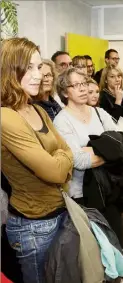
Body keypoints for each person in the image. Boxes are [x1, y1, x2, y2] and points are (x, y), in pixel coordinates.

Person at [53, 68, 123, 281]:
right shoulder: (62, 121)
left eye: (84, 83)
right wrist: (109, 149)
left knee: (116, 231)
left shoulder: (98, 112)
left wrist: (94, 148)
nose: (83, 88)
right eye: (76, 85)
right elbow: (80, 161)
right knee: (96, 238)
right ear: (65, 92)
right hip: (83, 191)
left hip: (110, 184)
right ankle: (107, 276)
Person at [1, 37, 73, 283]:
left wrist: (60, 159)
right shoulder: (5, 117)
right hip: (32, 226)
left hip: (59, 211)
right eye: (28, 67)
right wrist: (61, 160)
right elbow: (54, 171)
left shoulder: (38, 109)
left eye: (38, 66)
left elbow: (68, 152)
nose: (38, 74)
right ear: (9, 70)